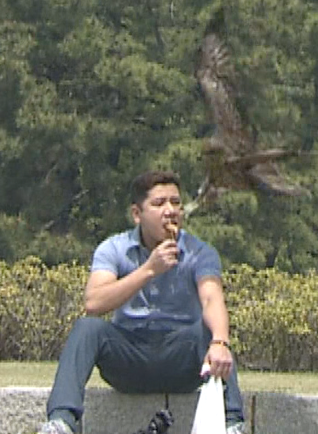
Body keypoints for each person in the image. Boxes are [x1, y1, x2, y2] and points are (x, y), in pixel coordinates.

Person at [38, 170, 246, 434]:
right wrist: (149, 270)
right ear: (137, 214)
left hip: (181, 359)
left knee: (211, 332)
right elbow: (94, 302)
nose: (170, 211)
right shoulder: (114, 248)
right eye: (159, 204)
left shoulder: (200, 252)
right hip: (130, 357)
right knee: (87, 328)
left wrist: (219, 342)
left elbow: (211, 297)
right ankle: (61, 422)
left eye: (176, 203)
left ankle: (232, 424)